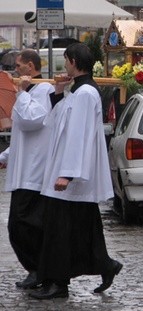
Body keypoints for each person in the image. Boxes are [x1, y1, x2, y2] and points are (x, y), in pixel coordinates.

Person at [29, 43, 122, 299]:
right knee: (83, 227)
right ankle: (105, 264)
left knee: (60, 230)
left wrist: (67, 173)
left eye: (66, 60)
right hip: (70, 174)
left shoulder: (85, 94)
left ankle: (58, 283)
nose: (64, 66)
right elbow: (59, 123)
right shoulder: (78, 92)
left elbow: (78, 135)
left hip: (71, 177)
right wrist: (58, 92)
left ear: (72, 61)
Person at [0, 49, 53, 290]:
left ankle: (38, 269)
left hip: (35, 172)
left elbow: (34, 121)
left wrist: (21, 93)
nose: (16, 69)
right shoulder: (29, 91)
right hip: (22, 170)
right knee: (17, 226)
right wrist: (5, 156)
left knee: (23, 225)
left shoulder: (44, 90)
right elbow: (21, 136)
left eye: (19, 65)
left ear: (30, 67)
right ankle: (35, 269)